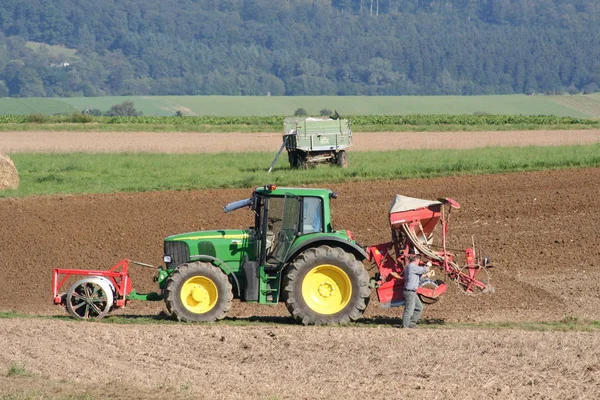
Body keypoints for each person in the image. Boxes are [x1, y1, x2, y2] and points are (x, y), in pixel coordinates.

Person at [401, 254, 432, 328]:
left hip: (412, 292)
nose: (419, 262)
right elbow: (424, 269)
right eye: (418, 260)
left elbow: (417, 276)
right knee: (409, 310)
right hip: (409, 292)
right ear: (416, 260)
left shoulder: (411, 267)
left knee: (419, 307)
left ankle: (412, 324)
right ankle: (405, 326)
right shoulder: (412, 266)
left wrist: (427, 275)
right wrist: (429, 264)